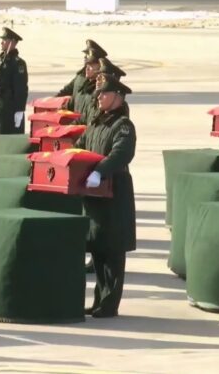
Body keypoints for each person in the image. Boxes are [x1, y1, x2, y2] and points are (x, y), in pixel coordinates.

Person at [75, 75, 137, 318]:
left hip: (114, 191)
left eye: (103, 93)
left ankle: (110, 304)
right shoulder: (97, 123)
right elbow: (80, 146)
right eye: (98, 93)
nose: (98, 96)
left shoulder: (123, 125)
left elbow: (121, 153)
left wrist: (100, 171)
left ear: (117, 97)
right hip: (94, 194)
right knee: (98, 248)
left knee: (112, 250)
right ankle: (99, 300)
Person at [0, 27, 28, 134]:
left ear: (12, 42)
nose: (1, 42)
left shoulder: (18, 64)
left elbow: (21, 89)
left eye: (4, 39)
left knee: (4, 139)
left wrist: (19, 110)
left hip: (9, 108)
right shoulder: (0, 60)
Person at [64, 47, 106, 124]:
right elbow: (69, 105)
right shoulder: (82, 88)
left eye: (91, 65)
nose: (87, 68)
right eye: (87, 64)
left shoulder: (99, 94)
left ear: (100, 67)